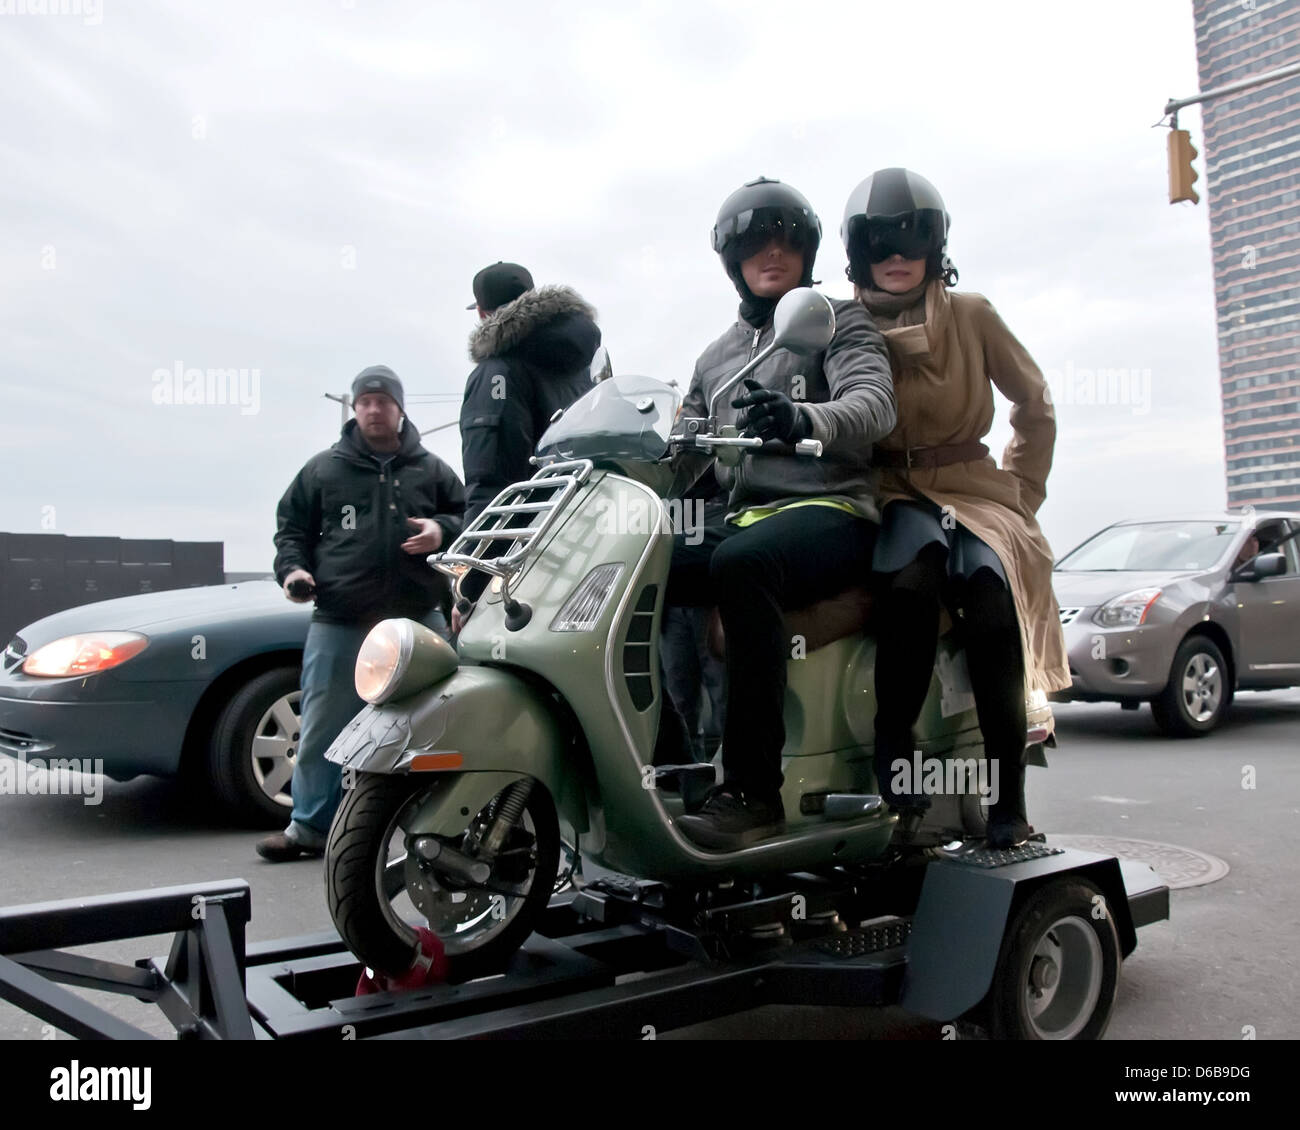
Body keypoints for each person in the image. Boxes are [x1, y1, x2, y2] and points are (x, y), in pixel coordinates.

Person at [841, 167, 1069, 849]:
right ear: (859, 252)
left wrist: (1022, 492)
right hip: (895, 491)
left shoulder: (971, 313)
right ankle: (894, 742)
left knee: (991, 601)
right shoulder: (842, 322)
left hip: (976, 489)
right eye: (880, 243)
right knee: (914, 581)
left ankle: (1009, 798)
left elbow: (1036, 405)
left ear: (935, 242)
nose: (897, 255)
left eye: (912, 239)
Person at [667, 177, 897, 850]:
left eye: (787, 239)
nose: (773, 252)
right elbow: (685, 451)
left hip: (833, 511)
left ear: (807, 248)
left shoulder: (836, 320)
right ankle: (665, 764)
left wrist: (804, 417)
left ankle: (752, 792)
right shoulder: (715, 358)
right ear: (731, 258)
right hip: (748, 516)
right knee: (635, 566)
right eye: (755, 242)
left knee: (744, 565)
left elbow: (874, 406)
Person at [259, 366, 466, 861]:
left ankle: (440, 829)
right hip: (340, 619)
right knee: (320, 731)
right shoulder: (322, 470)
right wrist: (292, 573)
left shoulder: (432, 469)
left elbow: (470, 516)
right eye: (365, 402)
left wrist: (441, 529)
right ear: (354, 410)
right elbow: (291, 531)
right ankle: (308, 828)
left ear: (400, 409)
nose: (374, 409)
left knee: (442, 723)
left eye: (383, 401)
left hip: (419, 619)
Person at [455, 262, 603, 626]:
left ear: (485, 313)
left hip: (525, 567)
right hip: (593, 549)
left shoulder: (496, 372)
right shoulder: (587, 367)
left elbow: (493, 483)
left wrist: (470, 587)